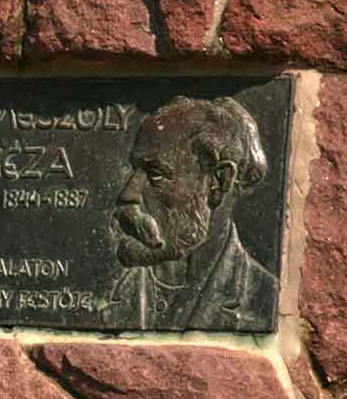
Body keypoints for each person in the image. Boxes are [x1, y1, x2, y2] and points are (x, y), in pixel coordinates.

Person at [110, 96, 277, 332]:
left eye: (155, 174)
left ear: (219, 182)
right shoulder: (117, 292)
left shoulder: (264, 298)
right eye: (134, 170)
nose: (128, 194)